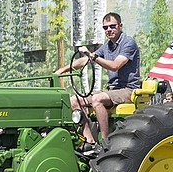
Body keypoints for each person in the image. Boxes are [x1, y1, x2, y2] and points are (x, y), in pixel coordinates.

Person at [53, 12, 141, 148]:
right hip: (111, 90)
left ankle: (105, 142)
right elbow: (85, 60)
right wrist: (62, 70)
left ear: (120, 25)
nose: (109, 30)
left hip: (128, 89)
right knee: (73, 101)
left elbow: (115, 66)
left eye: (112, 26)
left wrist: (92, 56)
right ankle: (89, 141)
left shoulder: (128, 43)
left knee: (96, 99)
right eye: (105, 28)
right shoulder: (107, 46)